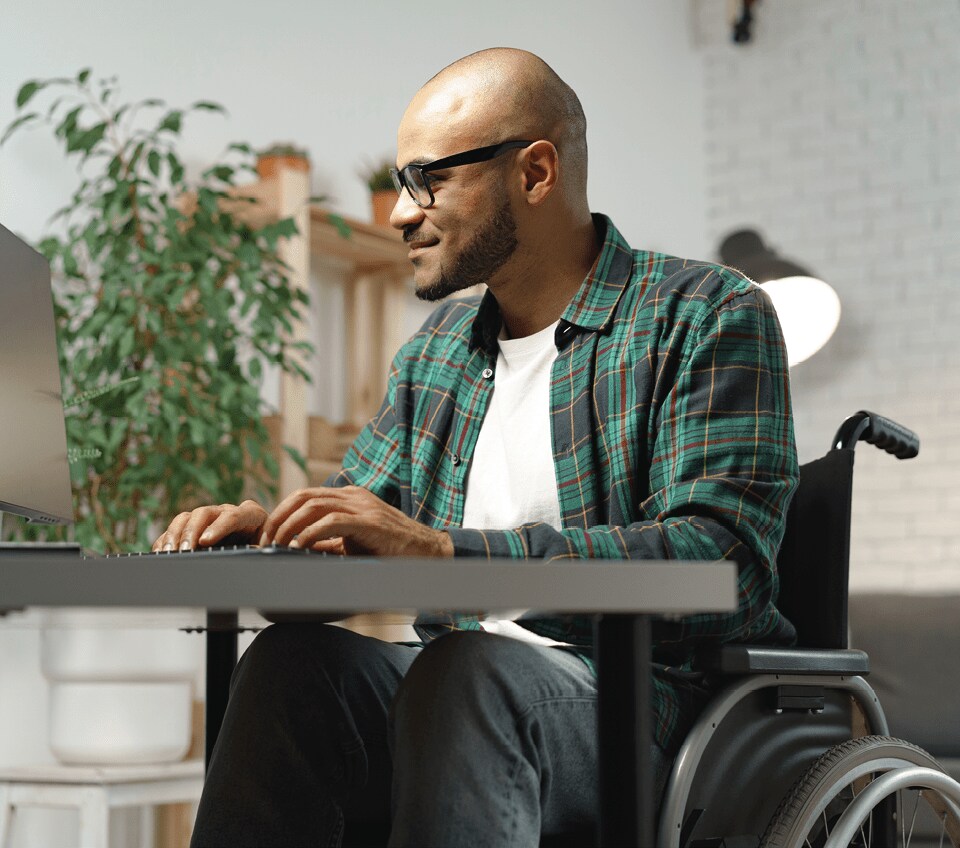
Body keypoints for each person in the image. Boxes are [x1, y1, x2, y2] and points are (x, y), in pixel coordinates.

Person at [156, 48, 799, 847]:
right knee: (292, 669)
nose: (399, 213)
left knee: (464, 670)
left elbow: (722, 563)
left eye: (428, 180)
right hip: (455, 700)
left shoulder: (703, 312)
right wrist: (275, 539)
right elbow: (365, 528)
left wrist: (444, 552)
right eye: (399, 183)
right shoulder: (439, 352)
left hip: (647, 710)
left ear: (534, 173)